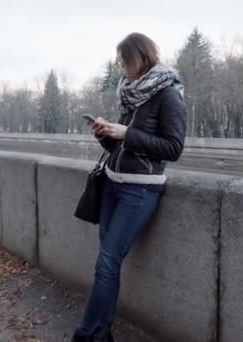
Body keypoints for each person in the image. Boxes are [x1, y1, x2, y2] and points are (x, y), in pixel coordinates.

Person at [71, 32, 187, 342]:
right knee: (107, 263)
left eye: (125, 62)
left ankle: (86, 333)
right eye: (120, 63)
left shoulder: (168, 94)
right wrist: (104, 133)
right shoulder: (130, 92)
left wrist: (126, 133)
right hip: (112, 183)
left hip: (140, 190)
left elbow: (174, 147)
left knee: (108, 260)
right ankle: (103, 331)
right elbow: (118, 146)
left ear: (141, 58)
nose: (122, 68)